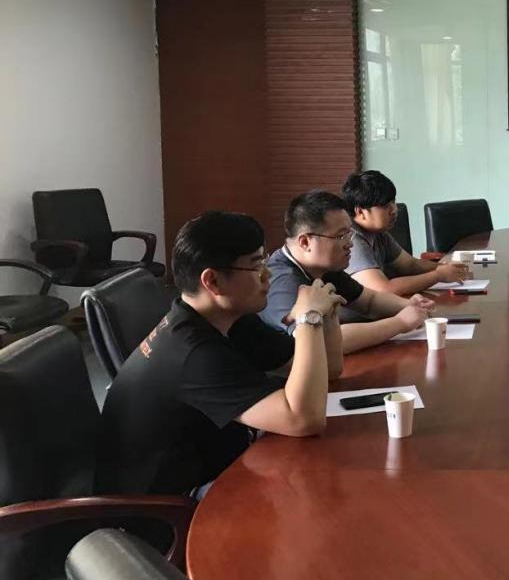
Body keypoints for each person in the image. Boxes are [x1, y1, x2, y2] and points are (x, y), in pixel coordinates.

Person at [96, 211, 345, 496]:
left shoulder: (231, 319)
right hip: (174, 504)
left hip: (225, 461)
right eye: (256, 266)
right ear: (213, 281)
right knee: (318, 491)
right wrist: (309, 318)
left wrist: (327, 312)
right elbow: (304, 420)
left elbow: (330, 368)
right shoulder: (194, 353)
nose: (268, 275)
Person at [261, 190, 431, 353]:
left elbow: (369, 301)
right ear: (305, 242)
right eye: (341, 236)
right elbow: (320, 342)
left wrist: (410, 306)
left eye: (350, 234)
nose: (350, 243)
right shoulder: (282, 281)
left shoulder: (323, 268)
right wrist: (400, 322)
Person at [341, 170, 471, 295]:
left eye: (393, 201)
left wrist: (446, 267)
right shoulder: (352, 240)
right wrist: (439, 275)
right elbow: (384, 289)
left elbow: (410, 265)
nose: (394, 210)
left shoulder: (379, 234)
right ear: (360, 212)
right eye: (385, 206)